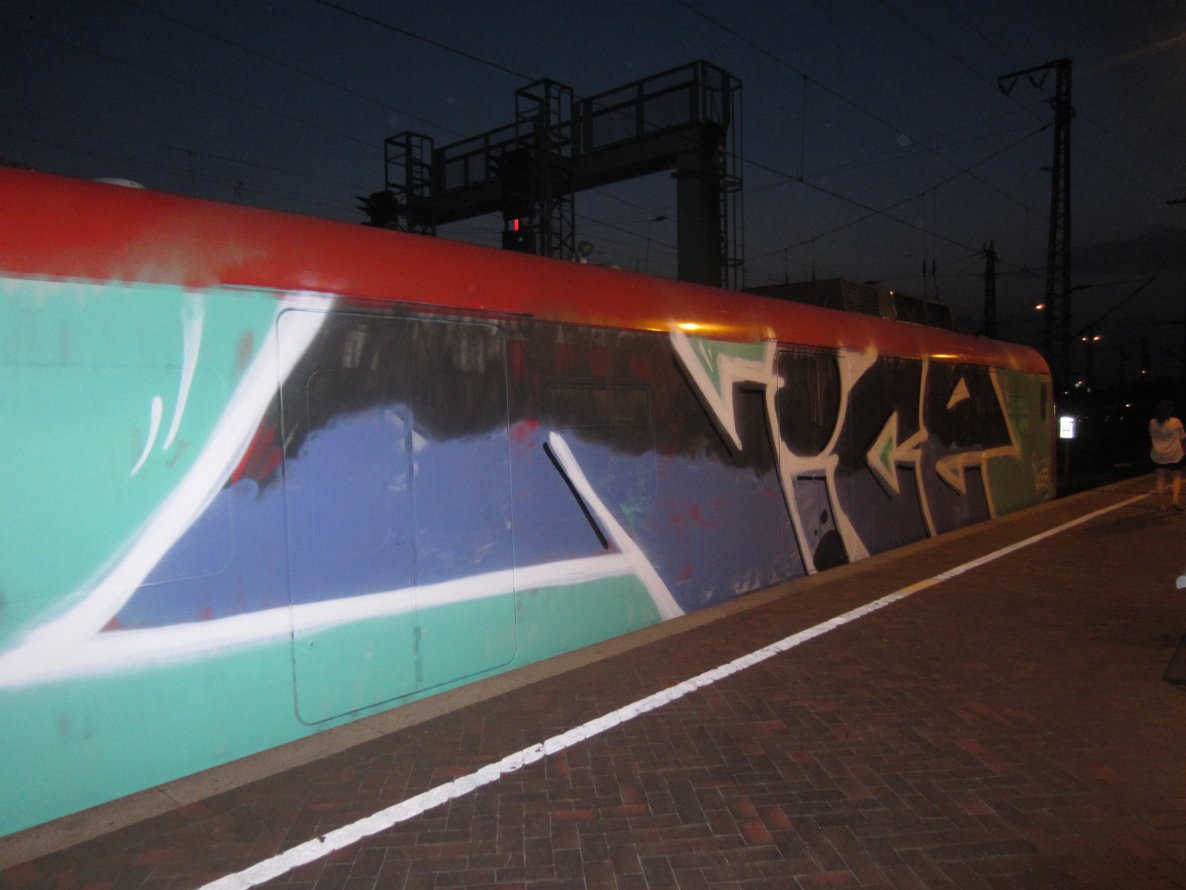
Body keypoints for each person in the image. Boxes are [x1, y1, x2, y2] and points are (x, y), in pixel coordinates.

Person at [1149, 400, 1186, 512]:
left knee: (1160, 478)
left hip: (1158, 454)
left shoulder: (1152, 422)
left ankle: (1162, 505)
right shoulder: (1175, 421)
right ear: (1169, 411)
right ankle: (1175, 500)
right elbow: (1183, 437)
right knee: (1176, 477)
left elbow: (1152, 435)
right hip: (1174, 455)